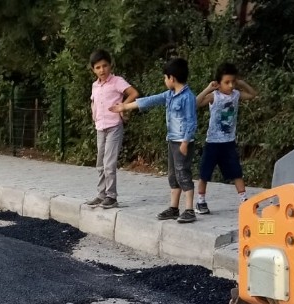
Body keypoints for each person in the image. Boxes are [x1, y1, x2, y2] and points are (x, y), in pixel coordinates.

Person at [111, 58, 198, 223]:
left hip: (183, 142)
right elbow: (149, 100)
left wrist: (186, 142)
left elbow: (191, 121)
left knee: (183, 174)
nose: (164, 81)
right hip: (172, 139)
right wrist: (124, 107)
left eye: (165, 77)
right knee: (173, 175)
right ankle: (173, 208)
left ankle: (189, 209)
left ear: (172, 78)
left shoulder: (188, 97)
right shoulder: (169, 95)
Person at [194, 63, 257, 214]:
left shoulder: (236, 95)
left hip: (228, 142)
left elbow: (253, 94)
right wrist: (208, 88)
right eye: (227, 82)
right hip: (213, 142)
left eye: (233, 82)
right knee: (205, 173)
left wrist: (242, 84)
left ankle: (244, 200)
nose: (230, 85)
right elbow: (195, 104)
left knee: (236, 171)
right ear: (218, 83)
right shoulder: (214, 96)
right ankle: (200, 201)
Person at [86, 49, 138, 210]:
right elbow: (94, 102)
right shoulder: (95, 85)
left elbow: (133, 93)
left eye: (105, 66)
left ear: (110, 65)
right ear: (93, 69)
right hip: (100, 127)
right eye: (98, 67)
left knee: (109, 163)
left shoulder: (117, 81)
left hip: (114, 126)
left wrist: (123, 107)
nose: (102, 70)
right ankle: (101, 194)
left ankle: (111, 196)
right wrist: (94, 113)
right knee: (100, 163)